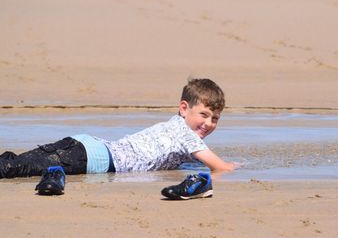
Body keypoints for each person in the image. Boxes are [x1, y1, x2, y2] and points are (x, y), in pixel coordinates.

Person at [0, 78, 237, 198]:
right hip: (92, 156)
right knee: (14, 167)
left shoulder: (176, 127)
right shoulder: (186, 135)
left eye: (215, 118)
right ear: (184, 108)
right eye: (204, 115)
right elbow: (221, 168)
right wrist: (234, 166)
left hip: (88, 149)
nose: (208, 124)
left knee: (20, 164)